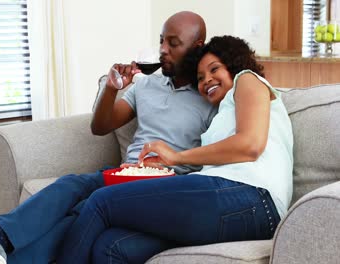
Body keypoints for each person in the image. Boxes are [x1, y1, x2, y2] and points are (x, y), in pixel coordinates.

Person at [0, 11, 217, 264]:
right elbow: (101, 126)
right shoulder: (147, 85)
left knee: (80, 209)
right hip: (124, 173)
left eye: (173, 43)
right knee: (71, 190)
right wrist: (110, 88)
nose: (162, 49)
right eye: (160, 41)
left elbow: (220, 157)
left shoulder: (211, 97)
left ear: (197, 46)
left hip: (166, 184)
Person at [53, 35, 293, 264]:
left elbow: (249, 146)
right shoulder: (221, 115)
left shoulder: (247, 80)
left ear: (234, 64)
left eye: (214, 69)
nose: (206, 80)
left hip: (253, 197)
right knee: (111, 246)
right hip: (233, 207)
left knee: (101, 201)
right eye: (199, 77)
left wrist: (176, 157)